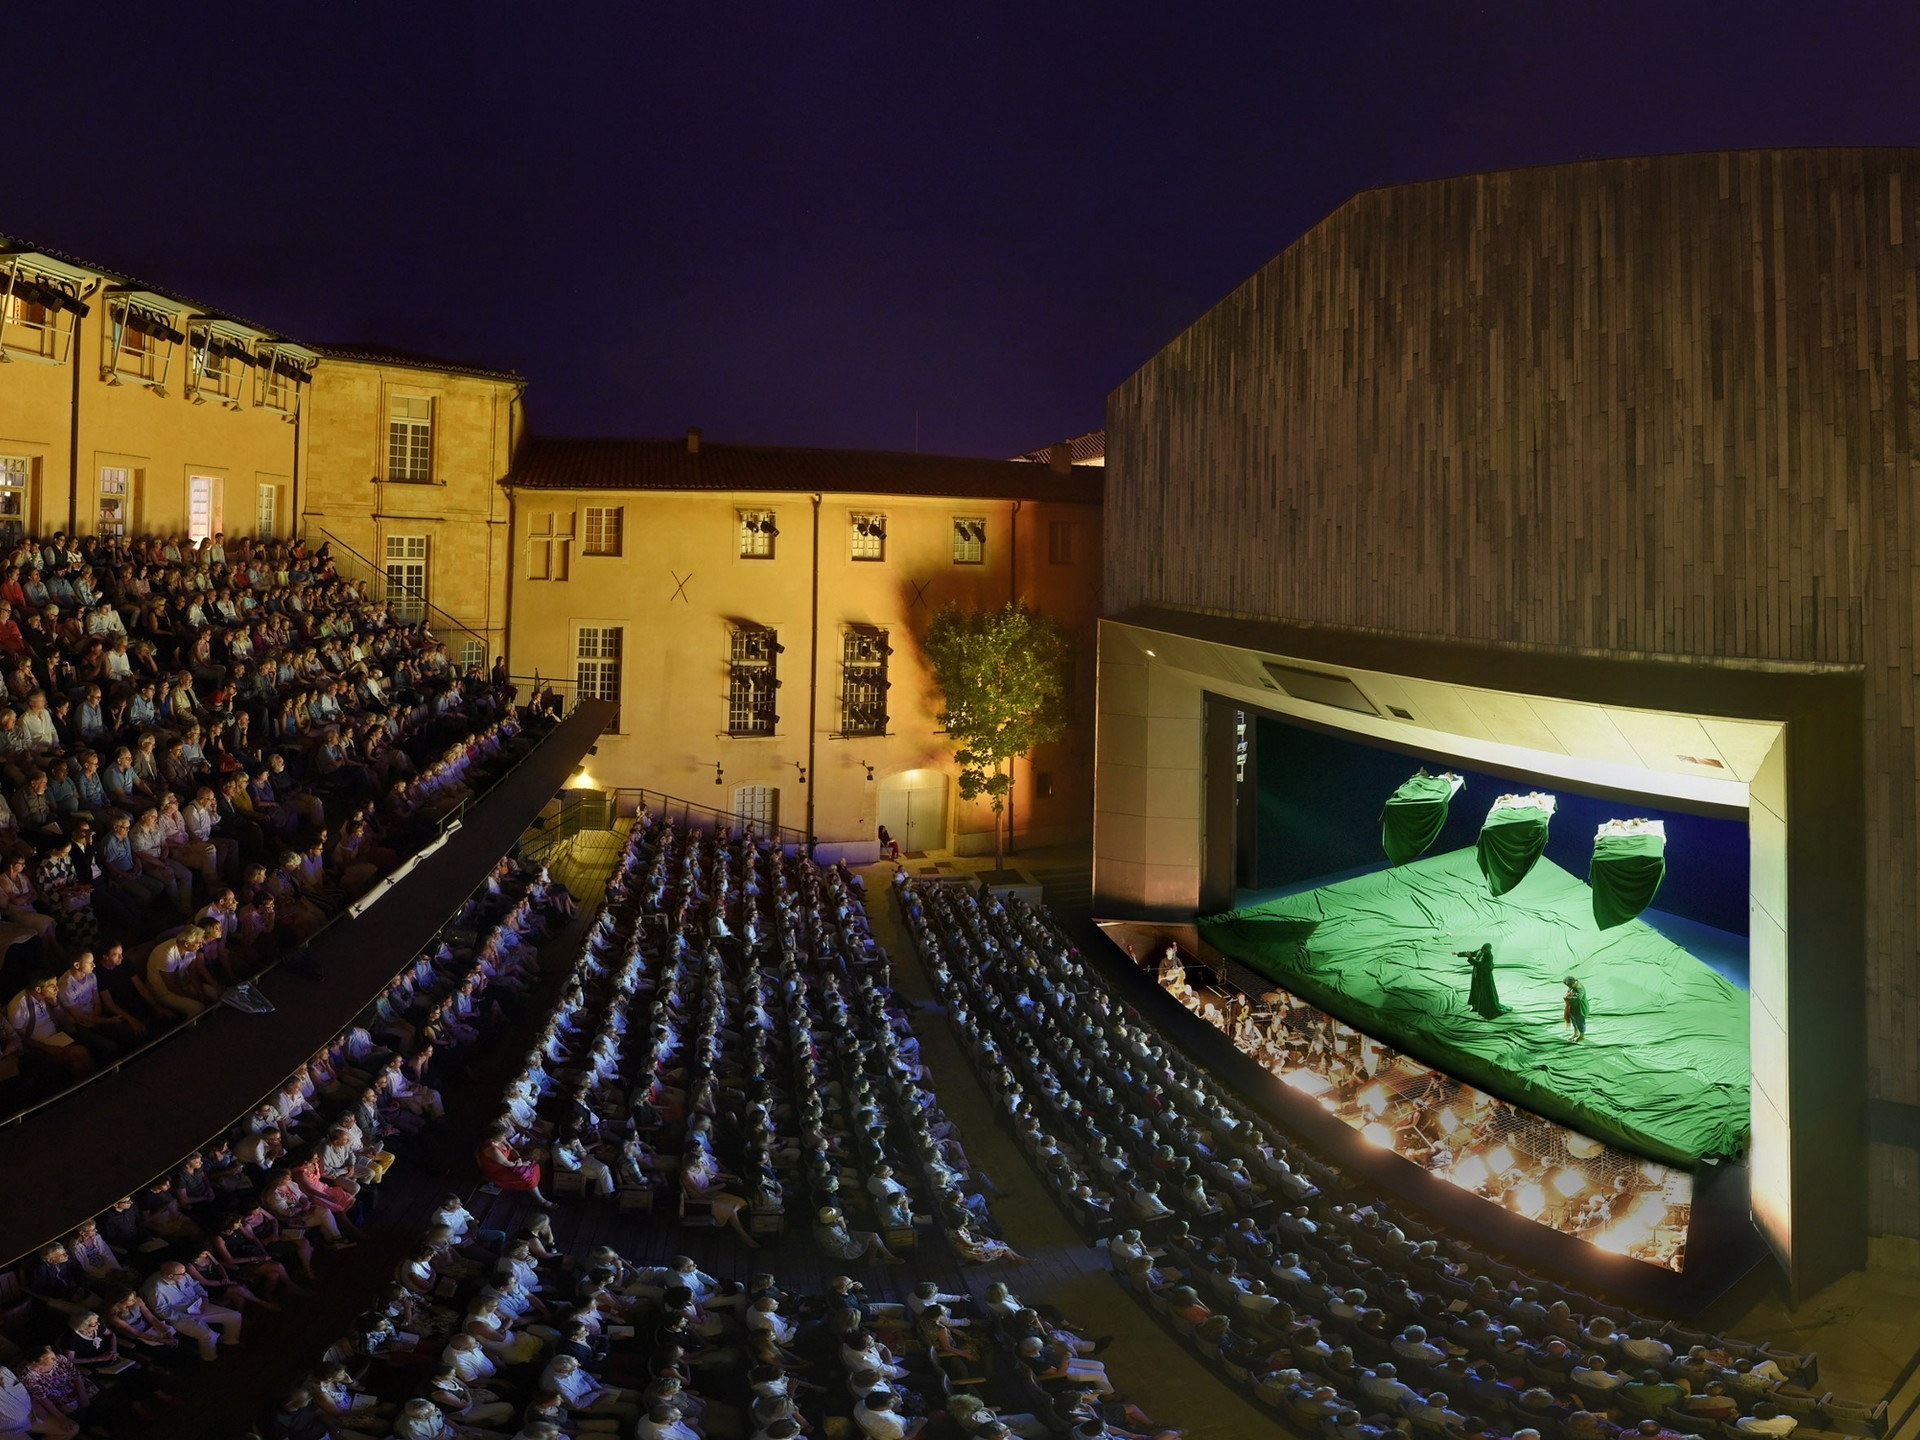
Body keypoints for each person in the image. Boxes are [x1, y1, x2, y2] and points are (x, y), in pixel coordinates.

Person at [1457, 943, 1507, 1019]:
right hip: (1476, 975)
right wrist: (1458, 954)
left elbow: (1480, 965)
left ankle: (1483, 1009)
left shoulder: (1489, 956)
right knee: (1475, 990)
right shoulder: (1480, 951)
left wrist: (1470, 958)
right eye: (1481, 947)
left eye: (1483, 949)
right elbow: (1472, 953)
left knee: (1484, 993)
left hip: (1484, 978)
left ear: (1487, 950)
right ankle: (1475, 1006)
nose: (1481, 949)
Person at [1563, 976, 1589, 1041]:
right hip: (1573, 1007)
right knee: (1573, 1020)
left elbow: (1579, 998)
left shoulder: (1579, 988)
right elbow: (1570, 992)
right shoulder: (1571, 987)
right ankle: (1576, 1033)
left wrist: (1568, 998)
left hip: (1579, 1007)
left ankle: (1582, 1036)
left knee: (1580, 1021)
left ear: (1572, 983)